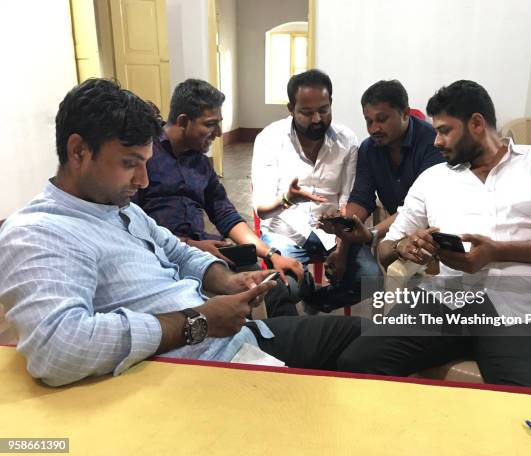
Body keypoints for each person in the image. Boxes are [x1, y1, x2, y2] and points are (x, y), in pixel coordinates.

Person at [0, 79, 362, 387]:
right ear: (79, 151)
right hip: (198, 364)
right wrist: (199, 322)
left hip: (232, 339)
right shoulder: (38, 233)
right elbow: (59, 349)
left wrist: (226, 281)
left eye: (145, 163)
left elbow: (178, 252)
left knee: (376, 335)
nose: (142, 180)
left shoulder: (121, 209)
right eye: (130, 164)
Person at [337, 80, 531, 389]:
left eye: (444, 130)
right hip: (444, 301)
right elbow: (384, 249)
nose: (436, 141)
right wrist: (404, 245)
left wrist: (498, 252)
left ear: (476, 124)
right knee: (355, 364)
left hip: (524, 308)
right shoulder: (433, 179)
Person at [133, 79, 304, 317]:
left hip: (210, 252)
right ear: (183, 121)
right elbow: (134, 228)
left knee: (276, 287)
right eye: (211, 125)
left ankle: (281, 348)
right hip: (161, 258)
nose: (219, 133)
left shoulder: (201, 165)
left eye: (219, 124)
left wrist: (271, 254)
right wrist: (188, 245)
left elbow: (226, 215)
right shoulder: (144, 157)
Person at [251, 69, 380, 313]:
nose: (317, 119)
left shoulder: (347, 140)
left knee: (370, 278)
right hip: (285, 234)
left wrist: (342, 251)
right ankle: (289, 344)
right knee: (283, 289)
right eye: (307, 113)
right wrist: (288, 199)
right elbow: (263, 210)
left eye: (323, 110)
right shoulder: (269, 139)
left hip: (333, 234)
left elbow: (347, 201)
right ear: (291, 108)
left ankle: (315, 299)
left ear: (331, 103)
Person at [319, 80, 443, 289]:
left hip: (430, 230)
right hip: (394, 231)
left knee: (381, 275)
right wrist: (344, 226)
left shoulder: (432, 142)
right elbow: (361, 198)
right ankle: (317, 302)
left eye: (382, 119)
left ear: (405, 113)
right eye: (368, 121)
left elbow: (421, 209)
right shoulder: (369, 149)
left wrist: (373, 233)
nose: (374, 128)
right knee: (360, 274)